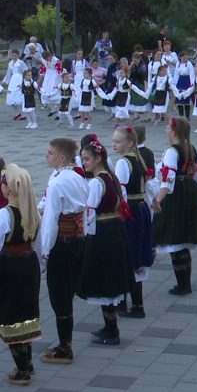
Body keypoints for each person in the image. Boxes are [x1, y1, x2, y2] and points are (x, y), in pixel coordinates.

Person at [0, 164, 42, 385]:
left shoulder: (5, 214)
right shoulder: (32, 211)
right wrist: (39, 266)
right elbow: (38, 244)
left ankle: (22, 371)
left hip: (9, 269)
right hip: (29, 265)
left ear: (9, 188)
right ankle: (27, 363)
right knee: (26, 314)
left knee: (10, 315)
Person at [37, 137, 89, 364]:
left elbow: (51, 221)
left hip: (62, 243)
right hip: (78, 242)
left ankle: (65, 348)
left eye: (50, 153)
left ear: (62, 157)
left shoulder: (57, 183)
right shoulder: (77, 176)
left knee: (59, 297)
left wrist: (44, 252)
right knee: (66, 295)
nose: (46, 156)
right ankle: (63, 344)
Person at [77, 138, 133, 346]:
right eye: (83, 159)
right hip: (115, 230)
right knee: (109, 280)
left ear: (98, 158)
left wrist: (86, 238)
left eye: (87, 159)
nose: (84, 163)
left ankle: (112, 332)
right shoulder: (110, 177)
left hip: (102, 234)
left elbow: (89, 213)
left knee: (105, 280)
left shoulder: (96, 182)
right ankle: (110, 327)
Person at [152, 118, 197, 294]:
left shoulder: (171, 151)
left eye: (168, 128)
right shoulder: (191, 148)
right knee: (183, 238)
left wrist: (158, 199)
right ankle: (185, 283)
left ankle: (183, 285)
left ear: (174, 132)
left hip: (177, 194)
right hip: (191, 191)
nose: (166, 131)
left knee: (175, 237)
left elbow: (168, 178)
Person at [112, 127, 154, 318]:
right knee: (134, 253)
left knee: (126, 253)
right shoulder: (138, 159)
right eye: (113, 141)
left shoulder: (123, 162)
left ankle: (124, 303)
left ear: (130, 143)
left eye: (118, 141)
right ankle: (137, 304)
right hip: (140, 209)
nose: (114, 144)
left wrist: (118, 213)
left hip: (130, 211)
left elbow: (121, 191)